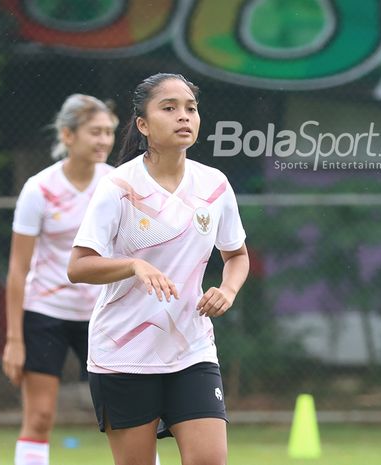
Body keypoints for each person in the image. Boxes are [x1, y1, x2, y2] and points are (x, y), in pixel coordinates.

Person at [68, 73, 250, 465]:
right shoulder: (118, 187)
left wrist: (228, 290)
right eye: (169, 108)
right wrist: (134, 265)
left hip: (192, 349)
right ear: (144, 125)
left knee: (209, 460)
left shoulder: (214, 185)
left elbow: (237, 255)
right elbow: (79, 267)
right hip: (123, 352)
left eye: (191, 108)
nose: (183, 116)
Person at [2, 93, 117, 465]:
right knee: (39, 417)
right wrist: (14, 339)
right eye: (94, 132)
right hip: (45, 313)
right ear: (68, 136)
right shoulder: (39, 189)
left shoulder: (116, 185)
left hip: (103, 314)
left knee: (124, 418)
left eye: (108, 132)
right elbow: (18, 269)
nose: (103, 140)